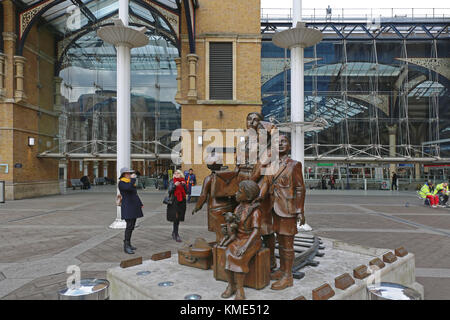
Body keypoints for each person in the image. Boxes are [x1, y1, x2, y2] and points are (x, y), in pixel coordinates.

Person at [258, 135, 306, 290]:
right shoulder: (271, 165)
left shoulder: (294, 165)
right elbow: (265, 184)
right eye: (276, 143)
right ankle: (281, 270)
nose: (280, 144)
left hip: (287, 209)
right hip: (273, 209)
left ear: (290, 146)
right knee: (280, 241)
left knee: (287, 244)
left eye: (283, 142)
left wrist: (300, 210)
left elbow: (300, 188)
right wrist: (255, 199)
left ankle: (288, 276)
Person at [221, 180, 262, 300]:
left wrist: (245, 246)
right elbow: (235, 225)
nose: (236, 193)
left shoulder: (255, 212)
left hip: (251, 241)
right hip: (238, 239)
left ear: (248, 196)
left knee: (238, 258)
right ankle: (231, 285)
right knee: (227, 254)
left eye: (239, 191)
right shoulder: (238, 208)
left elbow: (256, 231)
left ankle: (240, 289)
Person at [118, 167, 144, 254]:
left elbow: (134, 194)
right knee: (129, 226)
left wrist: (140, 203)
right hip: (128, 207)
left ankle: (128, 243)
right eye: (129, 173)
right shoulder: (122, 182)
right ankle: (126, 246)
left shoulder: (129, 182)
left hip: (133, 206)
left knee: (132, 226)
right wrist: (132, 179)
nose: (130, 175)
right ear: (124, 174)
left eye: (130, 173)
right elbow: (128, 188)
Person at [167, 170, 187, 242]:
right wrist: (175, 185)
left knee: (178, 218)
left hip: (182, 202)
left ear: (181, 174)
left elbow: (187, 192)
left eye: (178, 173)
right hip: (174, 202)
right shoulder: (172, 181)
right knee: (175, 218)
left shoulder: (183, 181)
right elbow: (169, 191)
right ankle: (176, 234)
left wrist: (184, 185)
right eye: (175, 173)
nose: (176, 174)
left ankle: (174, 232)